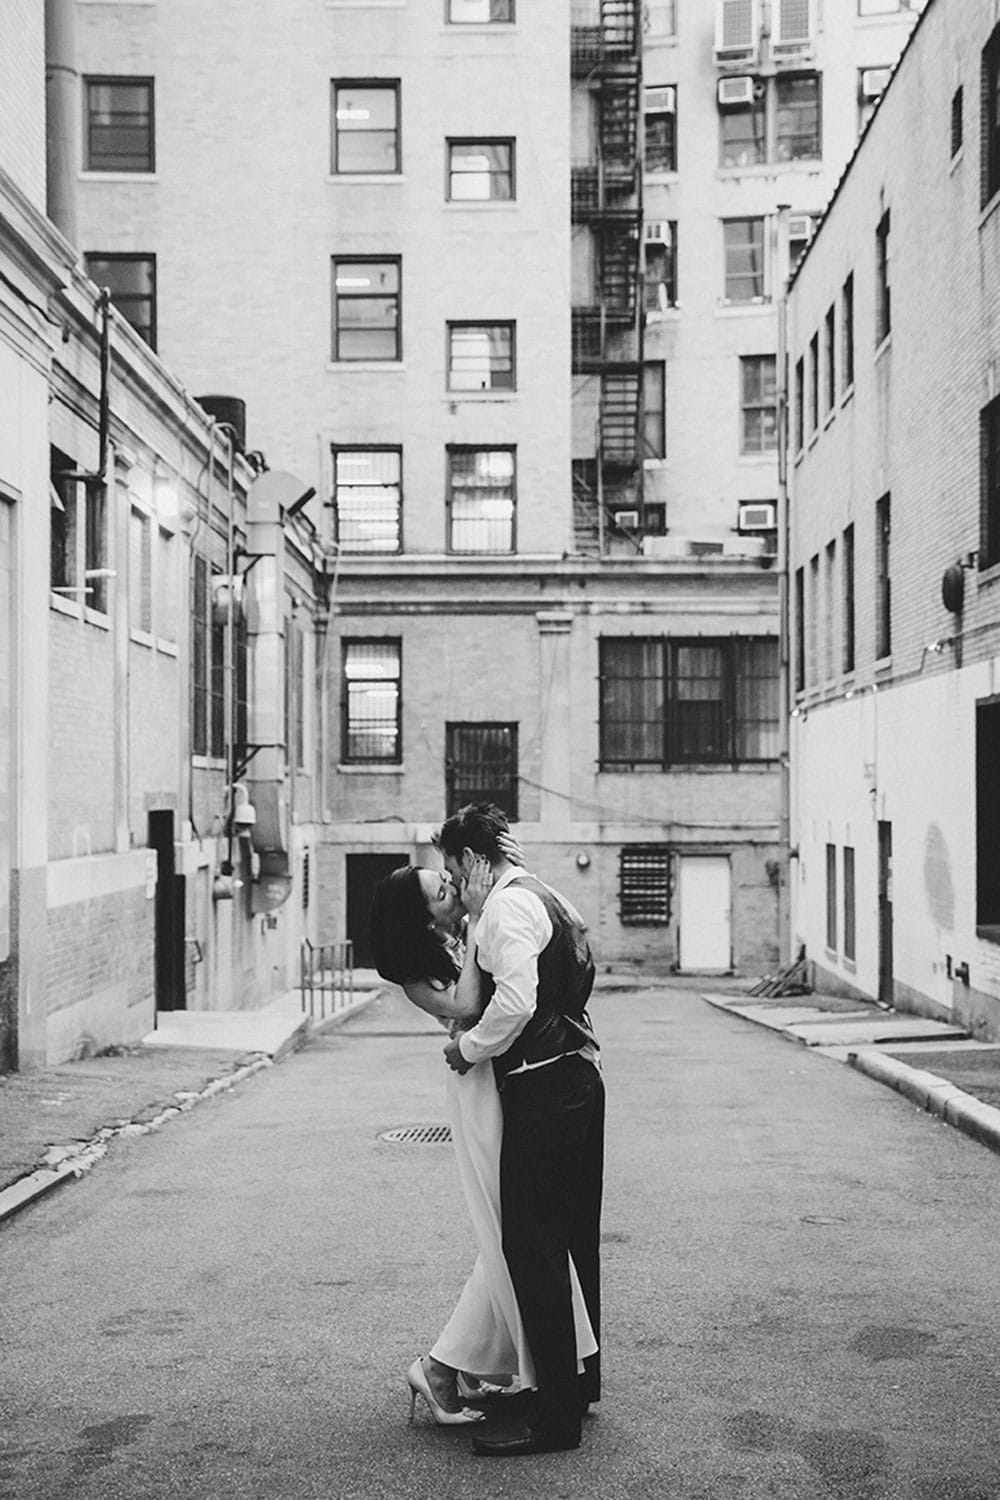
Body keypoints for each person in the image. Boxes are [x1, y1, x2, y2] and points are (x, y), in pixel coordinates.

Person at [368, 853, 597, 1430]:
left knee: (519, 1233)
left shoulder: (462, 932)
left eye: (445, 876)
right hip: (480, 1092)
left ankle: (462, 1365)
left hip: (505, 1078)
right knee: (511, 1233)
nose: (451, 885)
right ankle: (444, 1366)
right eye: (439, 890)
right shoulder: (415, 973)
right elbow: (470, 1006)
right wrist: (478, 916)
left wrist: (475, 916)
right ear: (423, 920)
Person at [438, 803, 604, 1458]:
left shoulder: (506, 908)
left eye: (454, 871)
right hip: (578, 1078)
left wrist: (469, 1049)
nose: (455, 886)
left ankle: (553, 1419)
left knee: (531, 1246)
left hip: (545, 1089)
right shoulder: (547, 894)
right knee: (570, 1241)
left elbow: (515, 1001)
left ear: (474, 861)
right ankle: (575, 1387)